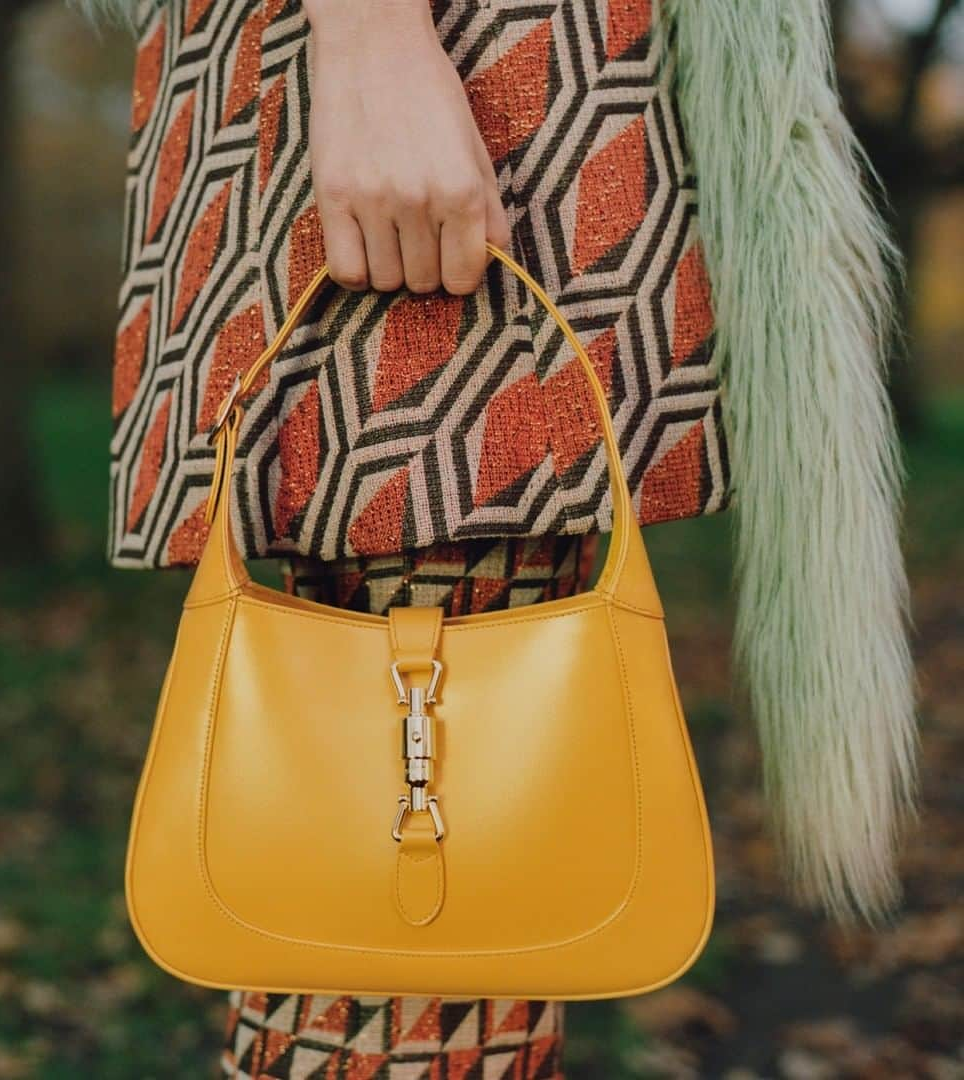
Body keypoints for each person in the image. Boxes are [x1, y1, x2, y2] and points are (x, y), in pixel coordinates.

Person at [75, 0, 919, 1074]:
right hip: (464, 77)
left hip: (523, 103)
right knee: (394, 998)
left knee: (445, 963)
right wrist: (371, 40)